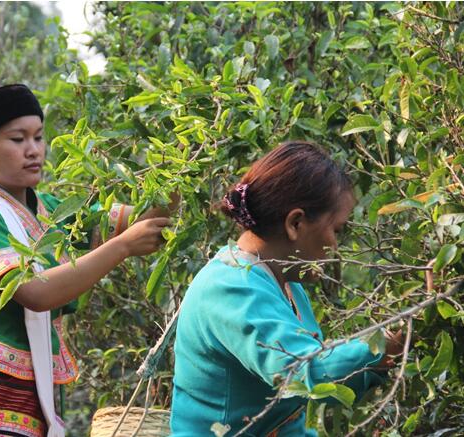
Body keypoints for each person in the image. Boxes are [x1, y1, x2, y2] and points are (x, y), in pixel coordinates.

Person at [0, 84, 172, 437]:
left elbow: (147, 216)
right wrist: (122, 247)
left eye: (38, 137)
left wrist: (184, 166)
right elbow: (33, 292)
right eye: (17, 139)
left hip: (32, 409)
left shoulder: (54, 211)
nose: (33, 150)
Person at [170, 142, 403, 436]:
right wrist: (386, 344)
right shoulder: (231, 288)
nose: (335, 245)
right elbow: (305, 371)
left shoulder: (283, 281)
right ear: (295, 223)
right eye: (337, 230)